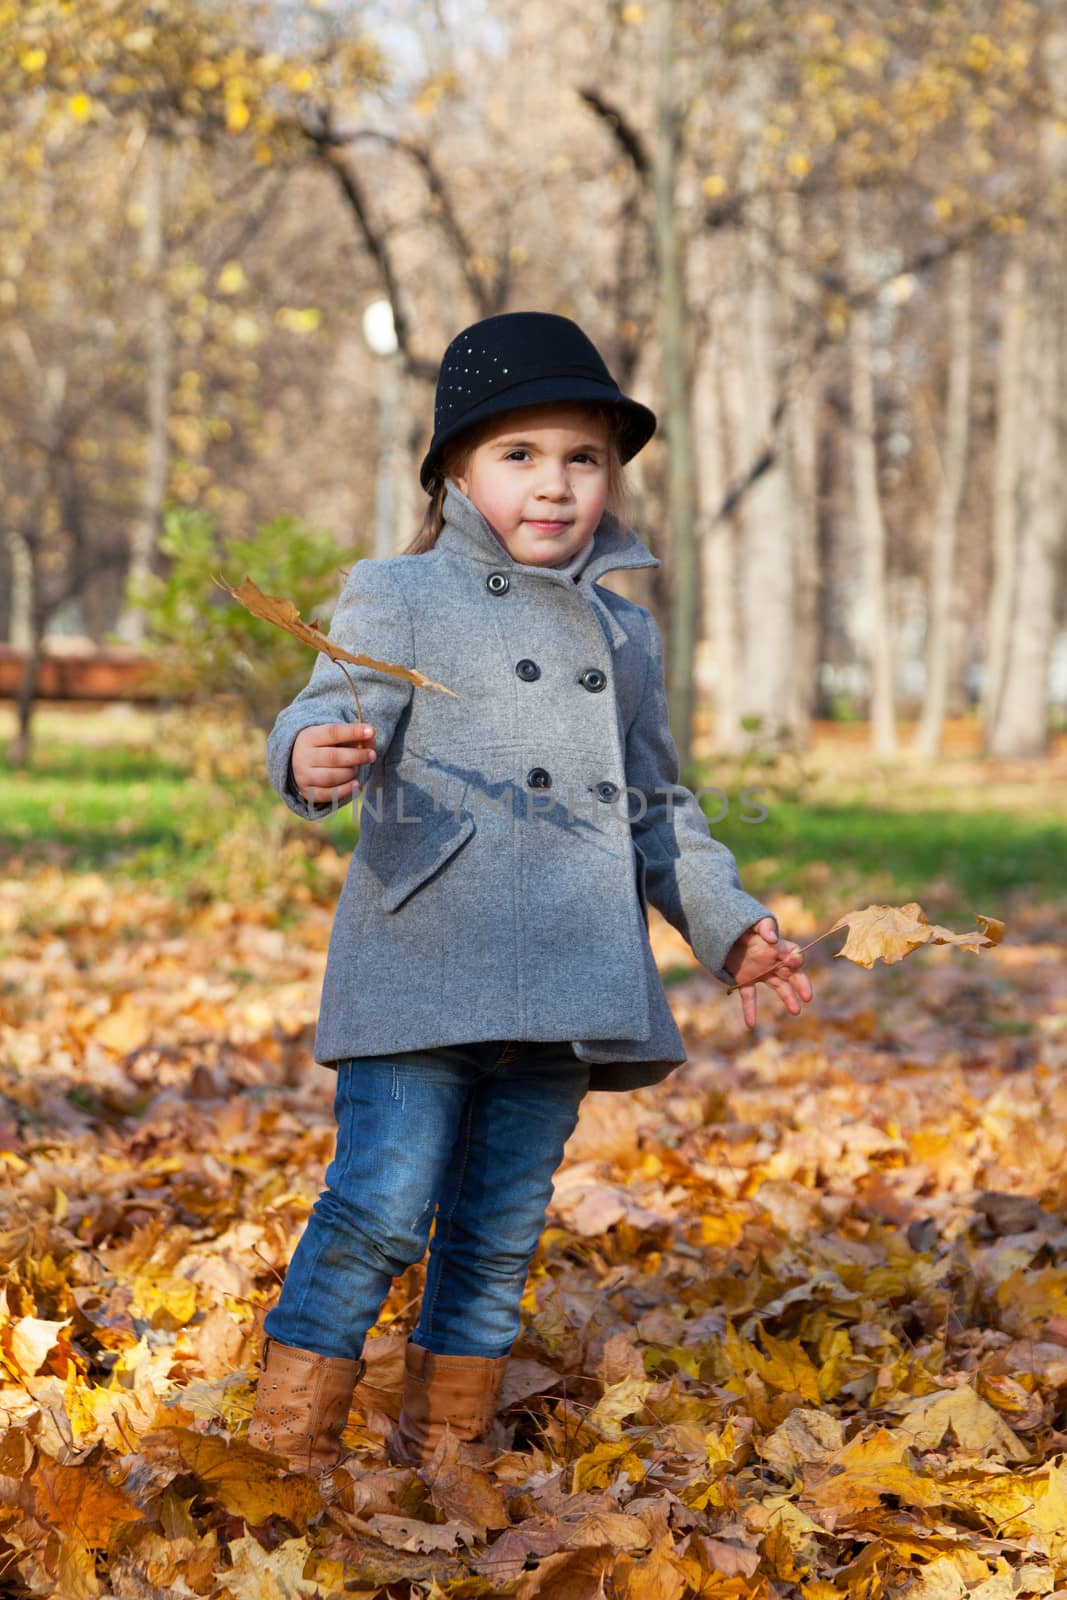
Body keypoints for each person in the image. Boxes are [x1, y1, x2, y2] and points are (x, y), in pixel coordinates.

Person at [247, 311, 812, 1476]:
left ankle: (439, 1453)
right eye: (518, 455)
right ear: (456, 470)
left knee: (498, 1231)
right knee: (380, 1206)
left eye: (582, 458)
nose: (552, 486)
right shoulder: (397, 592)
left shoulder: (623, 629)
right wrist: (307, 753)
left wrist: (727, 924)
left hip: (565, 974)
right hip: (425, 961)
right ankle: (281, 1450)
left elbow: (657, 803)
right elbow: (324, 699)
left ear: (608, 477)